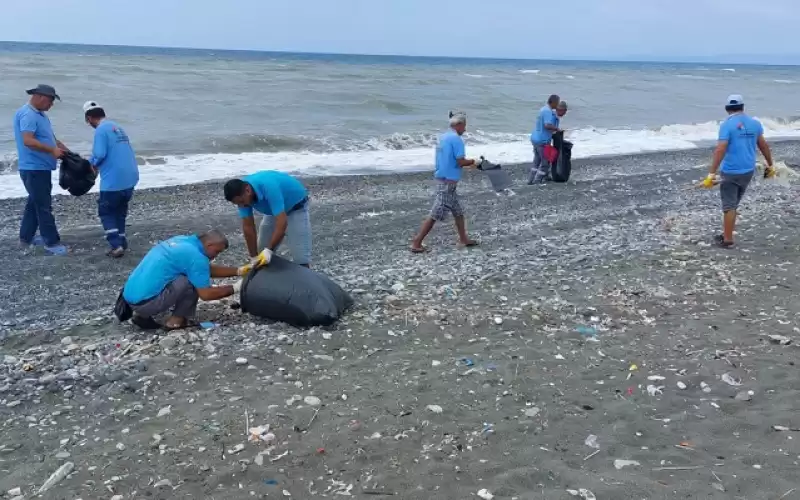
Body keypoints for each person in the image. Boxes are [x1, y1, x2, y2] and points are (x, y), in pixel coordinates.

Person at [122, 230, 256, 330]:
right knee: (190, 282)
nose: (216, 256)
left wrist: (239, 270)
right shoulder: (196, 257)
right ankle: (175, 321)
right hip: (146, 304)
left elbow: (201, 270)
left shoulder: (182, 241)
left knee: (187, 275)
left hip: (129, 298)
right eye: (217, 252)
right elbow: (206, 294)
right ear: (209, 245)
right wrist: (237, 287)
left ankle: (141, 316)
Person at [702, 94, 773, 248]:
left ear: (727, 108)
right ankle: (727, 232)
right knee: (734, 204)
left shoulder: (726, 125)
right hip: (748, 170)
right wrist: (770, 165)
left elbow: (721, 149)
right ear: (742, 107)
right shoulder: (754, 123)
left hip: (731, 171)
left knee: (729, 206)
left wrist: (711, 174)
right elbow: (763, 145)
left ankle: (727, 239)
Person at [410, 111, 482, 253]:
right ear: (459, 124)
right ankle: (417, 242)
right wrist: (475, 161)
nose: (465, 129)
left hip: (442, 177)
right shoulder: (456, 140)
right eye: (464, 126)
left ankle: (463, 239)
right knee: (435, 214)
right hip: (448, 182)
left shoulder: (443, 137)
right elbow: (460, 161)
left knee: (458, 211)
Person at [13, 84, 69, 256]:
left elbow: (50, 138)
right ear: (41, 97)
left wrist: (64, 150)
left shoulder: (40, 115)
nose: (51, 105)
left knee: (34, 203)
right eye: (51, 101)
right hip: (33, 167)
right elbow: (28, 141)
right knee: (43, 206)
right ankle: (51, 242)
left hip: (41, 167)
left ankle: (26, 238)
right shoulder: (28, 114)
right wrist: (52, 151)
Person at [83, 101, 140, 258]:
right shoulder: (118, 128)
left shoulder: (101, 130)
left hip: (113, 180)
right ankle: (122, 240)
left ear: (89, 118)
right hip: (130, 177)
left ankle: (116, 245)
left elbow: (99, 154)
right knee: (120, 212)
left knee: (106, 212)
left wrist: (90, 165)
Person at [223, 171, 311, 267]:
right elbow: (248, 227)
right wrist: (254, 257)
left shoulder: (269, 187)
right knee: (262, 253)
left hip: (296, 207)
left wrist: (269, 250)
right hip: (274, 211)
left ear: (248, 190)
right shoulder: (242, 196)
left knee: (301, 258)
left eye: (241, 201)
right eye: (237, 204)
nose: (242, 206)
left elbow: (282, 222)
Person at [528, 94, 561, 185]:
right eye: (557, 103)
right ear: (553, 102)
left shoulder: (543, 109)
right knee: (545, 163)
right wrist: (557, 129)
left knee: (537, 161)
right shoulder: (547, 111)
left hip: (535, 138)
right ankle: (537, 181)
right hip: (542, 141)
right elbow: (547, 125)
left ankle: (530, 180)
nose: (558, 105)